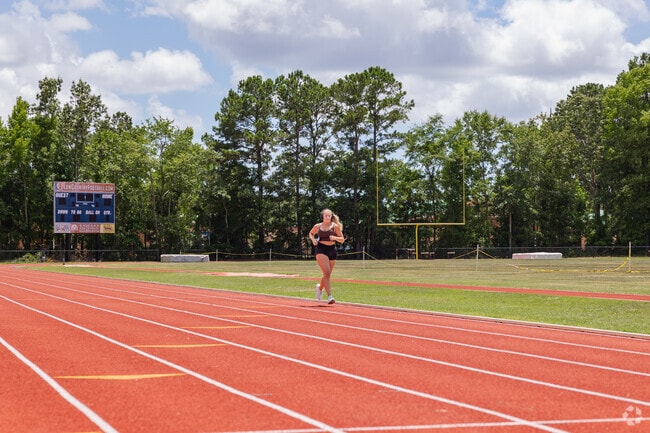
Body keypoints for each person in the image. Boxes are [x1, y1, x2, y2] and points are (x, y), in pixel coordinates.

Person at [308, 209, 344, 304]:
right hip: (321, 249)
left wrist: (335, 237)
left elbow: (342, 239)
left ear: (331, 216)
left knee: (327, 274)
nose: (327, 217)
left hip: (332, 250)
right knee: (327, 273)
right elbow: (311, 233)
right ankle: (330, 296)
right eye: (326, 215)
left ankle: (320, 288)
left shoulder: (335, 226)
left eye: (329, 215)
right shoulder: (318, 226)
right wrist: (313, 240)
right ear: (323, 217)